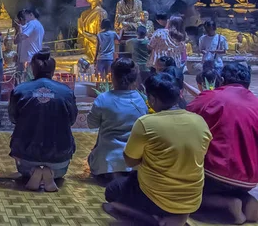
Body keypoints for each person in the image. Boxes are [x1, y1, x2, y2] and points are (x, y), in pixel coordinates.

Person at [104, 73, 212, 226]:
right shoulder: (199, 121)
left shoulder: (146, 123)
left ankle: (153, 220)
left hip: (158, 197)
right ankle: (177, 218)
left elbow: (129, 160)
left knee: (113, 191)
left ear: (153, 99)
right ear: (179, 95)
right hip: (192, 199)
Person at [187, 63, 258, 224]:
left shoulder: (212, 97)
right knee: (231, 187)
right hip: (250, 178)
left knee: (180, 193)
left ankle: (226, 204)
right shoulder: (256, 103)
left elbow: (185, 119)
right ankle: (246, 200)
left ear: (222, 80)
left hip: (215, 172)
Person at [9, 49, 77, 192]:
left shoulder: (20, 90)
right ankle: (50, 172)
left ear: (33, 69)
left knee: (25, 164)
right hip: (60, 160)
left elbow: (13, 118)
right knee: (59, 170)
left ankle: (35, 172)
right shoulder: (66, 92)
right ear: (53, 70)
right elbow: (72, 120)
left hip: (25, 161)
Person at [87, 58, 147, 181]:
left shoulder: (103, 99)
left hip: (106, 161)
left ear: (112, 77)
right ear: (134, 78)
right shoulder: (141, 100)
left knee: (91, 157)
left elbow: (91, 124)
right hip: (133, 161)